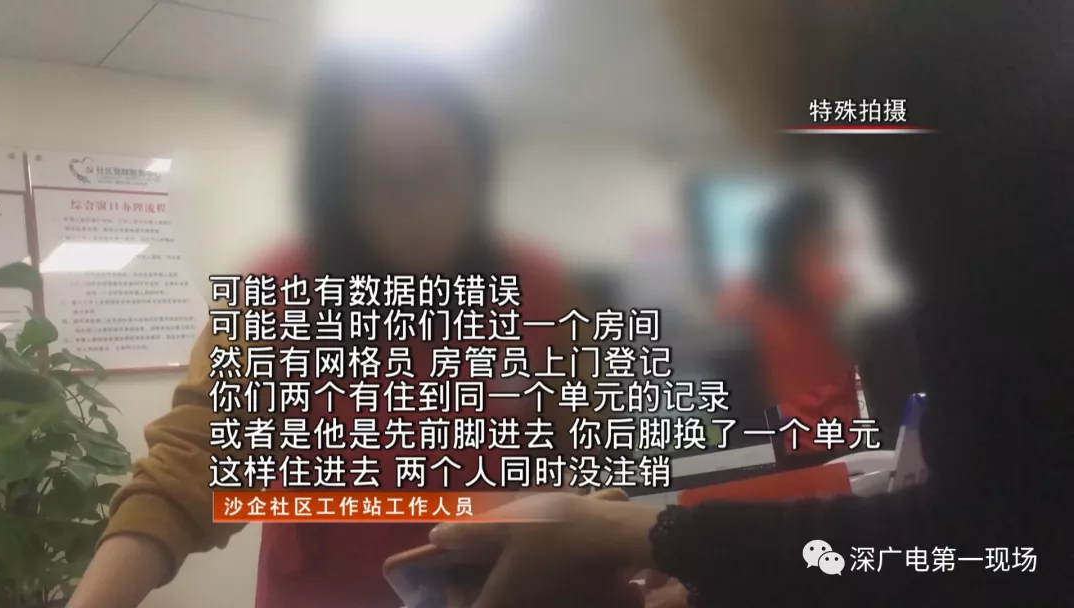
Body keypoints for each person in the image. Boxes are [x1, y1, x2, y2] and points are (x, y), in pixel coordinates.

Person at [428, 2, 1074, 607]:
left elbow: (997, 540)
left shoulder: (934, 81)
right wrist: (704, 556)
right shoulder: (1004, 63)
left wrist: (645, 535)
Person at [68, 56, 603, 608]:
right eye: (384, 181)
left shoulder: (541, 289)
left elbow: (580, 450)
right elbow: (191, 462)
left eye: (438, 171)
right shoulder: (276, 290)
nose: (419, 209)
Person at [719, 185, 859, 459]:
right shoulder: (830, 284)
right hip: (836, 437)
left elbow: (723, 318)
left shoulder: (747, 291)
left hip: (788, 440)